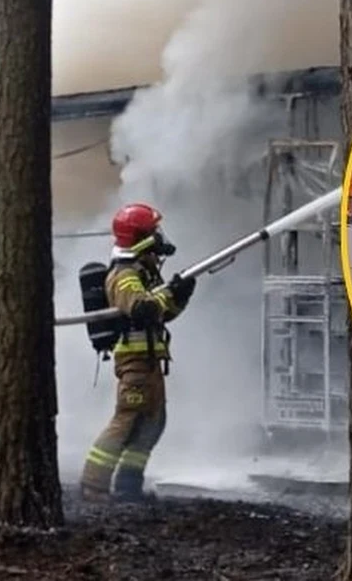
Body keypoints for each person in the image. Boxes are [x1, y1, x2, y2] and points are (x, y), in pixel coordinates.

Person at [79, 203, 196, 502]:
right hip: (135, 363)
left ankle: (128, 486)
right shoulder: (126, 274)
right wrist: (170, 292)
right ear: (140, 237)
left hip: (150, 363)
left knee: (153, 423)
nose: (159, 236)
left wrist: (180, 295)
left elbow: (161, 314)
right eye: (152, 231)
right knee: (127, 420)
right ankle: (93, 487)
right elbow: (142, 309)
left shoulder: (143, 272)